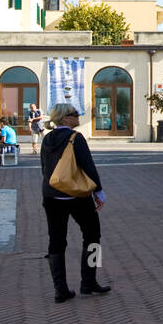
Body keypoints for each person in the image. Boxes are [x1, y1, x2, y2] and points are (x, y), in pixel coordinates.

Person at [40, 102, 110, 303]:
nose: (78, 117)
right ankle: (89, 281)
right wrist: (98, 191)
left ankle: (60, 289)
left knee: (56, 240)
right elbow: (88, 164)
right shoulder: (75, 138)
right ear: (65, 119)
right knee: (93, 235)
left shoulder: (47, 139)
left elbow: (45, 168)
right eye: (75, 114)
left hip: (52, 195)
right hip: (76, 196)